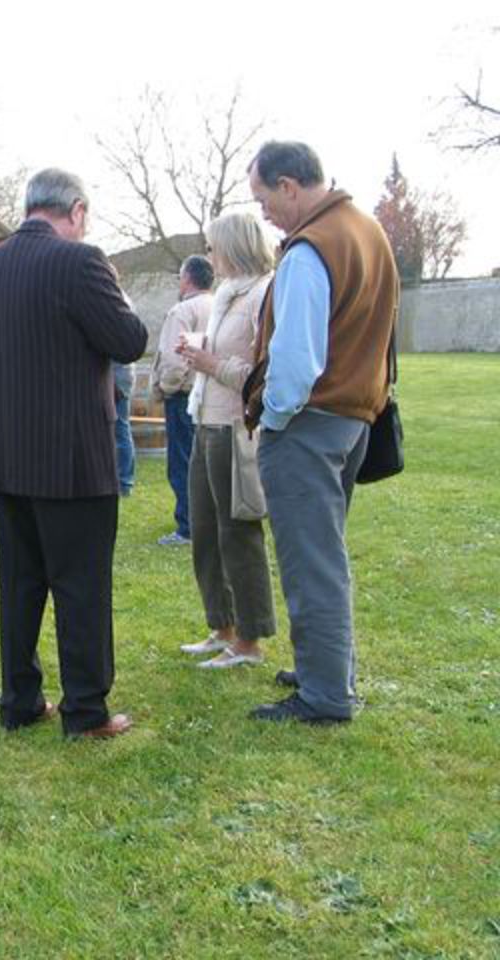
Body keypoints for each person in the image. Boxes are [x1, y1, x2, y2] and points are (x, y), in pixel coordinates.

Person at [0, 168, 147, 739]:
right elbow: (129, 341)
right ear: (77, 210)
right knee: (80, 584)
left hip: (5, 451)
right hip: (71, 455)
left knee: (20, 584)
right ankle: (85, 710)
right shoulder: (82, 261)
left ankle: (19, 701)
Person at [243, 141, 398, 724]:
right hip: (354, 418)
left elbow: (296, 361)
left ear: (289, 186)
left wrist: (274, 417)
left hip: (310, 421)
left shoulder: (310, 249)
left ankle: (326, 694)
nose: (264, 213)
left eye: (264, 198)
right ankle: (325, 670)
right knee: (324, 554)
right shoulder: (367, 231)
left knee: (312, 563)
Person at [175, 212, 278, 669]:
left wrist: (210, 363)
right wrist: (199, 354)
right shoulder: (225, 294)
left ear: (234, 246)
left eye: (213, 246)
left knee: (237, 533)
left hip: (236, 428)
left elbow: (263, 374)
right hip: (205, 421)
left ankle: (250, 641)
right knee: (204, 531)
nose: (209, 255)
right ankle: (223, 626)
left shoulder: (264, 294)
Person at [150, 255, 214, 545]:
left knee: (183, 462)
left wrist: (166, 387)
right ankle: (207, 519)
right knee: (207, 461)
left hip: (184, 395)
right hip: (211, 393)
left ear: (187, 278)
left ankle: (187, 526)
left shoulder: (183, 311)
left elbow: (175, 359)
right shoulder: (218, 305)